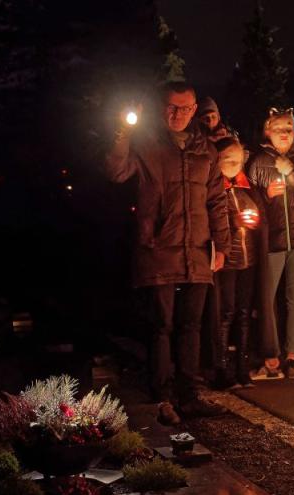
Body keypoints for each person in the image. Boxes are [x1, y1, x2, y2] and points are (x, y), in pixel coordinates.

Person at [105, 81, 229, 423]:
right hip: (158, 247)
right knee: (161, 325)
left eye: (187, 108)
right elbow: (116, 172)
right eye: (173, 108)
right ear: (162, 109)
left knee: (191, 325)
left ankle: (189, 394)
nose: (179, 114)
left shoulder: (207, 149)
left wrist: (223, 244)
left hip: (198, 248)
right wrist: (121, 132)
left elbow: (217, 200)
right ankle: (161, 397)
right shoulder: (145, 144)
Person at [247, 108, 294, 380]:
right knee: (267, 300)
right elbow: (250, 204)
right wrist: (266, 196)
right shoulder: (257, 163)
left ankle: (292, 356)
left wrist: (292, 173)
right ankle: (270, 355)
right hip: (273, 240)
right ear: (267, 130)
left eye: (289, 128)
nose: (285, 133)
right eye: (279, 128)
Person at [211, 137, 271, 390]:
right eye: (229, 160)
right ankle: (222, 369)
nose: (236, 165)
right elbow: (211, 219)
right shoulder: (214, 189)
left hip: (250, 259)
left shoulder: (248, 188)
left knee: (245, 314)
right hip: (227, 261)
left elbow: (260, 216)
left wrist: (255, 222)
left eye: (239, 160)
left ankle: (243, 369)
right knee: (226, 313)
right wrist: (232, 222)